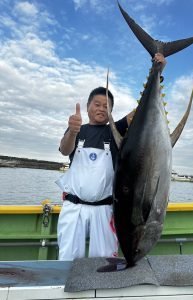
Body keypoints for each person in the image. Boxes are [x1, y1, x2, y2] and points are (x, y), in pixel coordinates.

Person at [56, 53, 166, 261]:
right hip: (73, 208)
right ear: (88, 106)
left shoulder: (116, 130)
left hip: (105, 211)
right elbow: (64, 150)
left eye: (107, 106)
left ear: (112, 113)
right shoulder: (77, 129)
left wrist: (157, 73)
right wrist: (71, 131)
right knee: (68, 261)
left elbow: (141, 111)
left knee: (106, 261)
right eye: (97, 104)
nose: (101, 108)